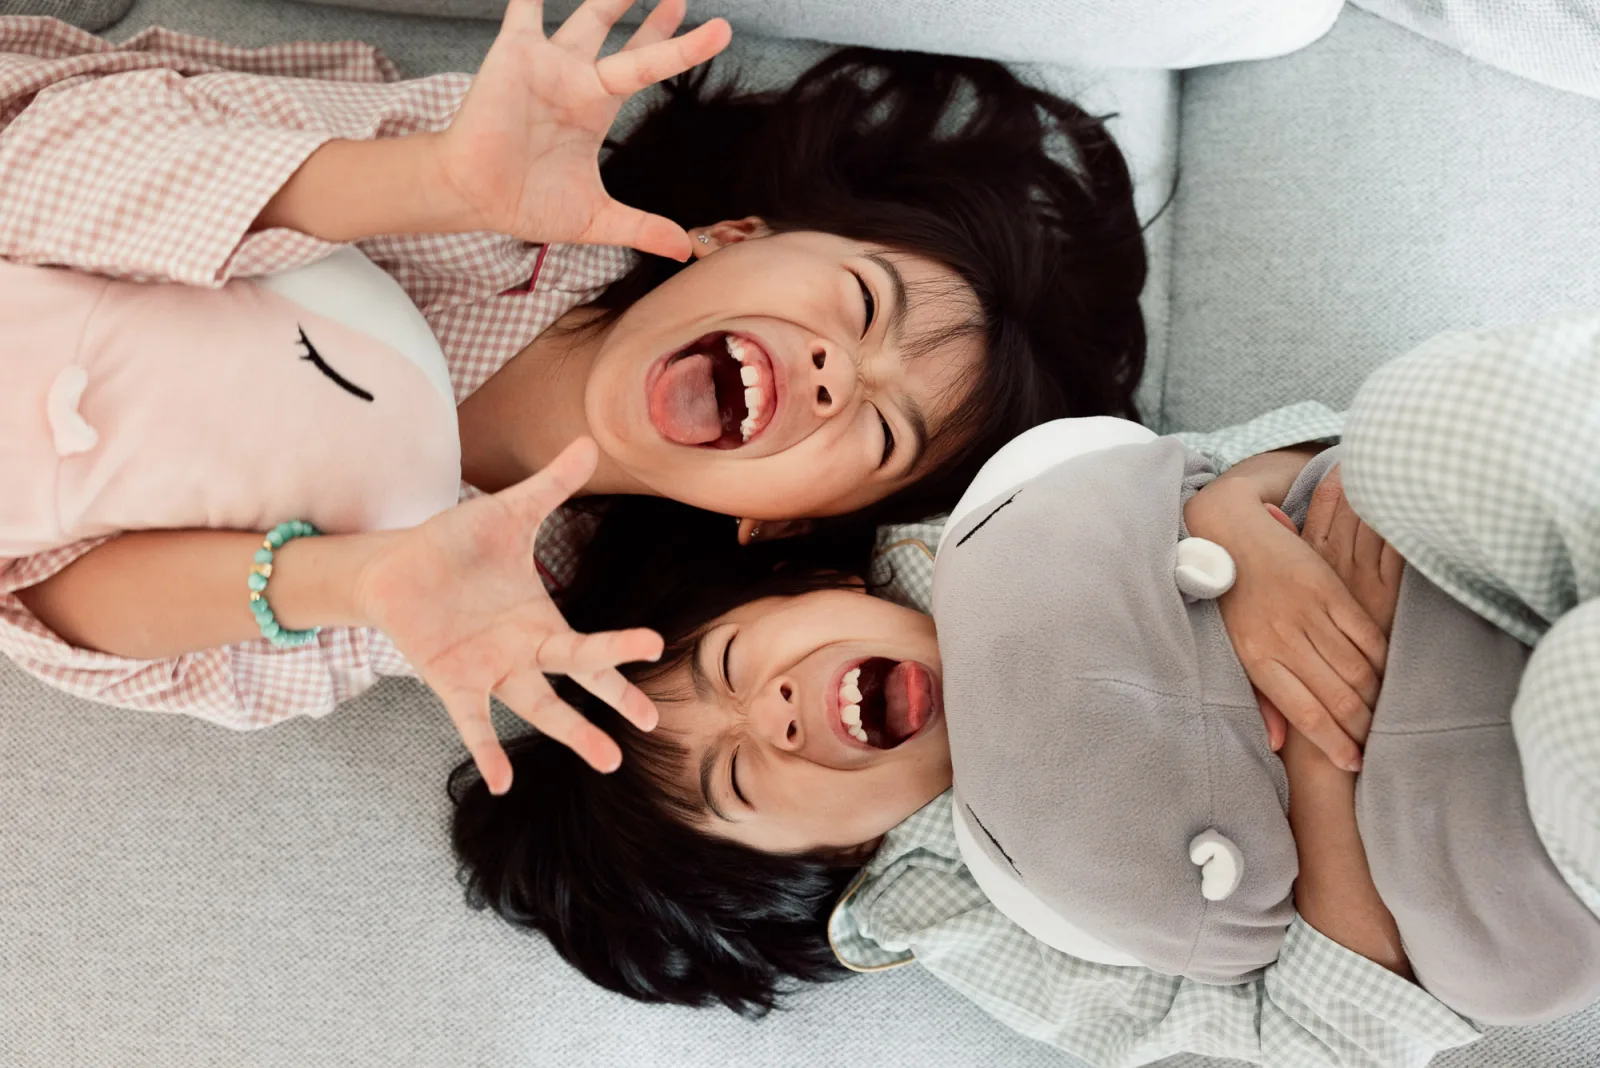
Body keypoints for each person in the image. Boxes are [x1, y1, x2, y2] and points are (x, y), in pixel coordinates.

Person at [0, 0, 1154, 790]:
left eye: (882, 429)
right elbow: (35, 174)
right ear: (736, 235)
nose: (832, 374)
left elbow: (44, 602)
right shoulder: (496, 202)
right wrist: (432, 180)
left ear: (784, 523)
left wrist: (352, 581)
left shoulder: (517, 606)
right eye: (858, 304)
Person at [448, 313, 1600, 1065]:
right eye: (741, 775)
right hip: (1486, 817)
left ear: (806, 581)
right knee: (1571, 696)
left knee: (1412, 418)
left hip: (1450, 544)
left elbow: (1226, 459)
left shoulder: (974, 535)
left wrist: (1235, 524)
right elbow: (1314, 1032)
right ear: (827, 860)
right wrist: (1318, 746)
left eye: (738, 663)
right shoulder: (965, 906)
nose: (777, 708)